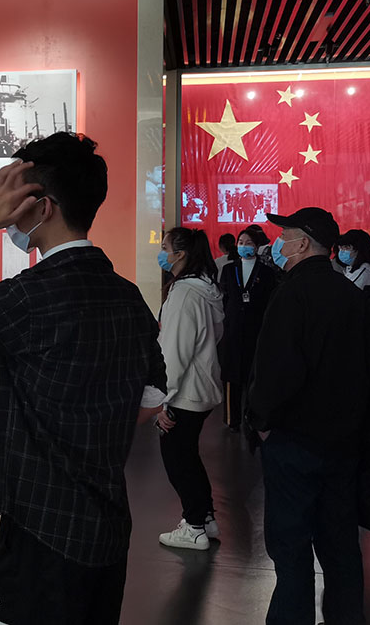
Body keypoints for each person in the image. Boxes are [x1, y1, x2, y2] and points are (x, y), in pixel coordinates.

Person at [0, 133, 166, 625]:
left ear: (41, 207)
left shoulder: (27, 297)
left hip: (41, 527)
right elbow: (150, 401)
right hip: (108, 528)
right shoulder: (128, 297)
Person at [249, 207, 370, 625]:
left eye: (284, 236)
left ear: (302, 244)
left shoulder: (292, 295)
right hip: (343, 441)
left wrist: (262, 422)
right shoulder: (351, 294)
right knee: (340, 545)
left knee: (291, 545)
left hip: (294, 441)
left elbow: (276, 371)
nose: (277, 244)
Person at [154, 227, 224, 550]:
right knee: (189, 456)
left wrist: (161, 400)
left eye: (165, 247)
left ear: (180, 254)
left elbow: (173, 352)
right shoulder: (206, 288)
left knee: (178, 460)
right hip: (201, 386)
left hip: (184, 393)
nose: (161, 252)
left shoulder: (184, 294)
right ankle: (205, 518)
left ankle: (193, 526)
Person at [219, 224, 276, 433]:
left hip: (256, 329)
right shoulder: (229, 269)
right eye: (241, 242)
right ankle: (231, 419)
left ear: (257, 246)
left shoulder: (267, 272)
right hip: (232, 329)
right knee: (231, 375)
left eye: (249, 243)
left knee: (253, 376)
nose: (244, 246)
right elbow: (224, 297)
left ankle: (251, 417)